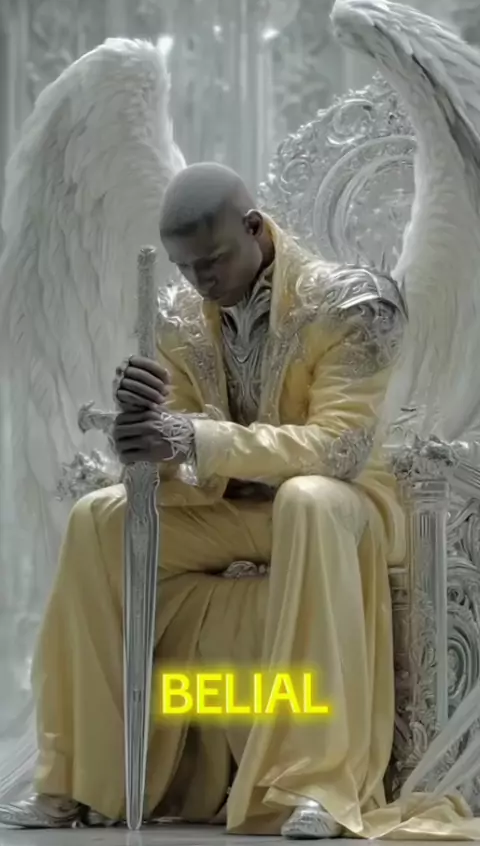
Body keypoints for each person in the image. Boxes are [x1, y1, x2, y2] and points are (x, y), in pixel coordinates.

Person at [0, 163, 407, 837]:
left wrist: (193, 437)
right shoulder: (179, 317)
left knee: (308, 498)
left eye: (212, 260)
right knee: (99, 518)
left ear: (254, 227)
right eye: (185, 267)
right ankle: (80, 780)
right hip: (238, 509)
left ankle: (316, 785)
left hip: (344, 512)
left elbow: (339, 449)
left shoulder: (353, 304)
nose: (200, 281)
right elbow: (183, 450)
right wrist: (142, 437)